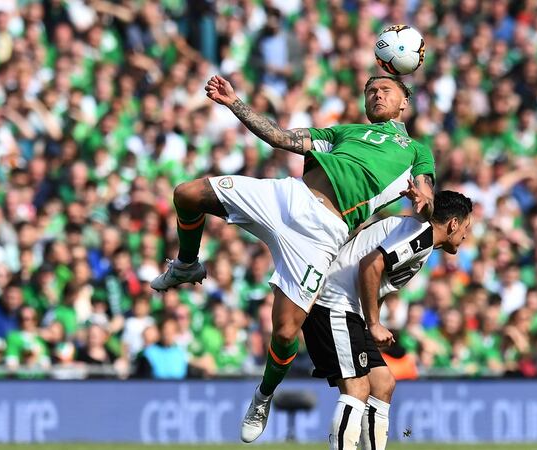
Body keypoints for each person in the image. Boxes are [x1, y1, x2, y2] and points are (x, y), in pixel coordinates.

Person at [151, 73, 436, 442]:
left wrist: (424, 203)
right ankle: (187, 264)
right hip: (288, 197)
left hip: (322, 234)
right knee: (188, 194)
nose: (376, 94)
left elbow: (427, 200)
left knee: (286, 331)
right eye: (370, 91)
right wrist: (235, 102)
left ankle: (263, 395)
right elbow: (279, 137)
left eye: (385, 90)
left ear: (404, 103)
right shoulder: (344, 132)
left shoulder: (416, 151)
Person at [302, 191, 472, 450]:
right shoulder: (421, 235)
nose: (466, 235)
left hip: (349, 309)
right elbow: (370, 265)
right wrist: (373, 323)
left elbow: (378, 281)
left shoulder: (419, 235)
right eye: (466, 227)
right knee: (357, 389)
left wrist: (372, 322)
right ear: (453, 224)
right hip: (333, 304)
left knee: (383, 384)